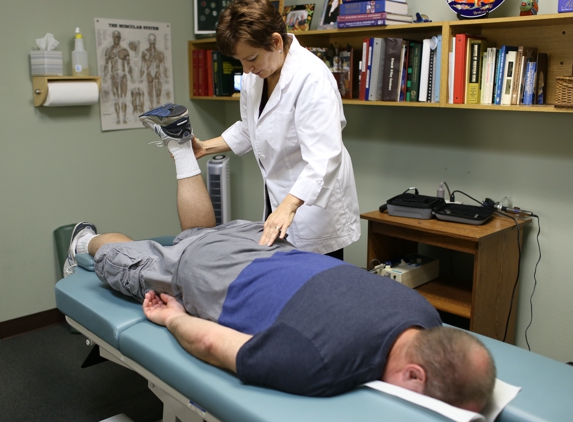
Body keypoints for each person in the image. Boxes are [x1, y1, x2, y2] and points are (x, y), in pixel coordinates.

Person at [62, 105, 496, 411]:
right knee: (121, 255)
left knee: (199, 236)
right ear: (415, 376)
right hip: (212, 271)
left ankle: (179, 148)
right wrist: (172, 317)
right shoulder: (320, 364)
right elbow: (212, 343)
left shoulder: (421, 311)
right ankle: (84, 242)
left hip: (267, 241)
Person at [191, 0, 360, 259]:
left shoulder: (312, 78)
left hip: (313, 206)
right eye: (241, 61)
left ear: (276, 42)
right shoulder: (257, 73)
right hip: (279, 199)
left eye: (251, 58)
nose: (246, 69)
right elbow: (253, 128)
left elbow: (324, 158)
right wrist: (205, 147)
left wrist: (288, 207)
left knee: (317, 289)